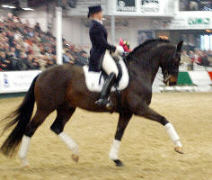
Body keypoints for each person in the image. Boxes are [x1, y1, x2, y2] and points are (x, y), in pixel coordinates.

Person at [88, 5, 124, 108]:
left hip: (103, 51)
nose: (102, 13)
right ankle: (103, 98)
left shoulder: (97, 24)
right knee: (114, 72)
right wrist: (115, 48)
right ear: (96, 14)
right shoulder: (95, 26)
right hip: (100, 53)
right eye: (101, 12)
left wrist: (113, 48)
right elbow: (102, 43)